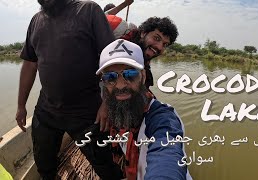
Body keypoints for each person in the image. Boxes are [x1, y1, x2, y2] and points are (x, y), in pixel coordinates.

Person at [15, 0, 122, 179]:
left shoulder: (88, 10)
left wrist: (107, 102)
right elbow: (30, 64)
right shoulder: (35, 21)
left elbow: (112, 61)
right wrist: (20, 105)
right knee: (44, 164)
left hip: (87, 112)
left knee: (105, 166)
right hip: (46, 111)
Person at [96, 39, 192, 180]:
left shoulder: (162, 119)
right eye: (111, 77)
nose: (120, 85)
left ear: (143, 77)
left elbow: (167, 156)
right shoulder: (117, 109)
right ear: (104, 82)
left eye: (130, 75)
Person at [121, 16, 178, 90]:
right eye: (157, 38)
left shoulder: (143, 54)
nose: (160, 47)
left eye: (165, 44)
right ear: (143, 33)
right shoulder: (121, 53)